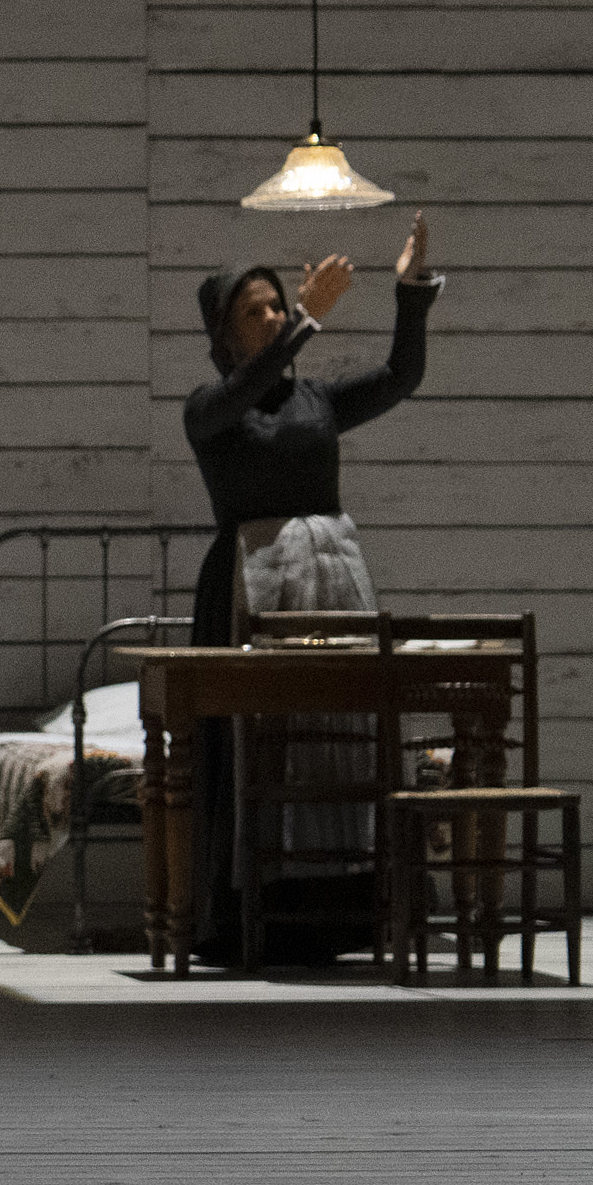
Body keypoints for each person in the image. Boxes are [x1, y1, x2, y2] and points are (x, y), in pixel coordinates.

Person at [179, 215, 445, 959]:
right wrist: (305, 319)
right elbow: (242, 393)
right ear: (224, 335)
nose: (271, 317)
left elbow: (400, 378)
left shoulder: (316, 401)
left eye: (277, 305)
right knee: (261, 749)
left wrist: (409, 292)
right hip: (250, 593)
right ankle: (253, 916)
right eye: (254, 311)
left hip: (332, 587)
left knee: (341, 743)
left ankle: (347, 912)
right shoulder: (208, 409)